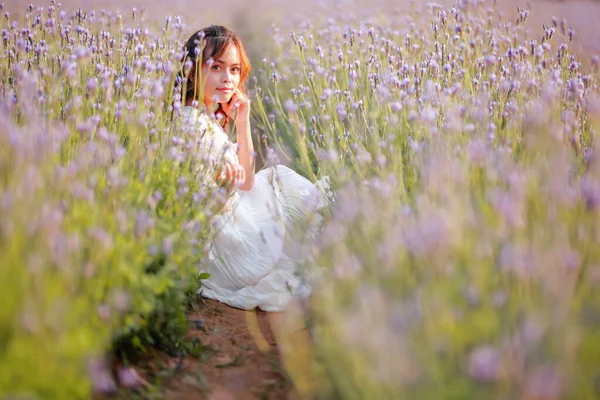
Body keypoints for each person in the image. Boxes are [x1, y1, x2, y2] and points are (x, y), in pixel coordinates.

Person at [178, 25, 332, 312]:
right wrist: (223, 193)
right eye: (216, 67)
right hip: (228, 247)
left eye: (235, 69)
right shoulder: (190, 125)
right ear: (192, 70)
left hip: (232, 226)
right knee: (282, 184)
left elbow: (246, 182)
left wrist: (243, 119)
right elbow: (192, 214)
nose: (228, 79)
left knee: (276, 180)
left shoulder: (205, 118)